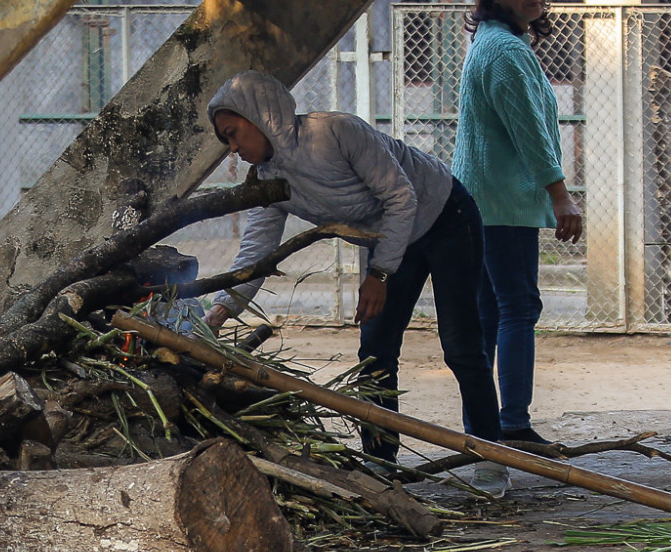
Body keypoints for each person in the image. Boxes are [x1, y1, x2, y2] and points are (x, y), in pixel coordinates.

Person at [202, 71, 504, 489]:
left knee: (461, 343)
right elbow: (256, 251)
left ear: (260, 115)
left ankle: (491, 456)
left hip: (444, 216)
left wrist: (379, 273)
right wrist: (218, 313)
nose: (233, 148)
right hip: (386, 237)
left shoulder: (334, 132)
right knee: (375, 349)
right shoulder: (270, 180)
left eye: (234, 134)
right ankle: (382, 462)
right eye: (227, 140)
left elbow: (401, 197)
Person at [451, 0, 584, 462]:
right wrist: (561, 197)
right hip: (501, 205)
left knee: (488, 314)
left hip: (480, 201)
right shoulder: (505, 51)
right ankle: (513, 424)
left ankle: (483, 427)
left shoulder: (494, 42)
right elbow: (530, 132)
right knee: (518, 308)